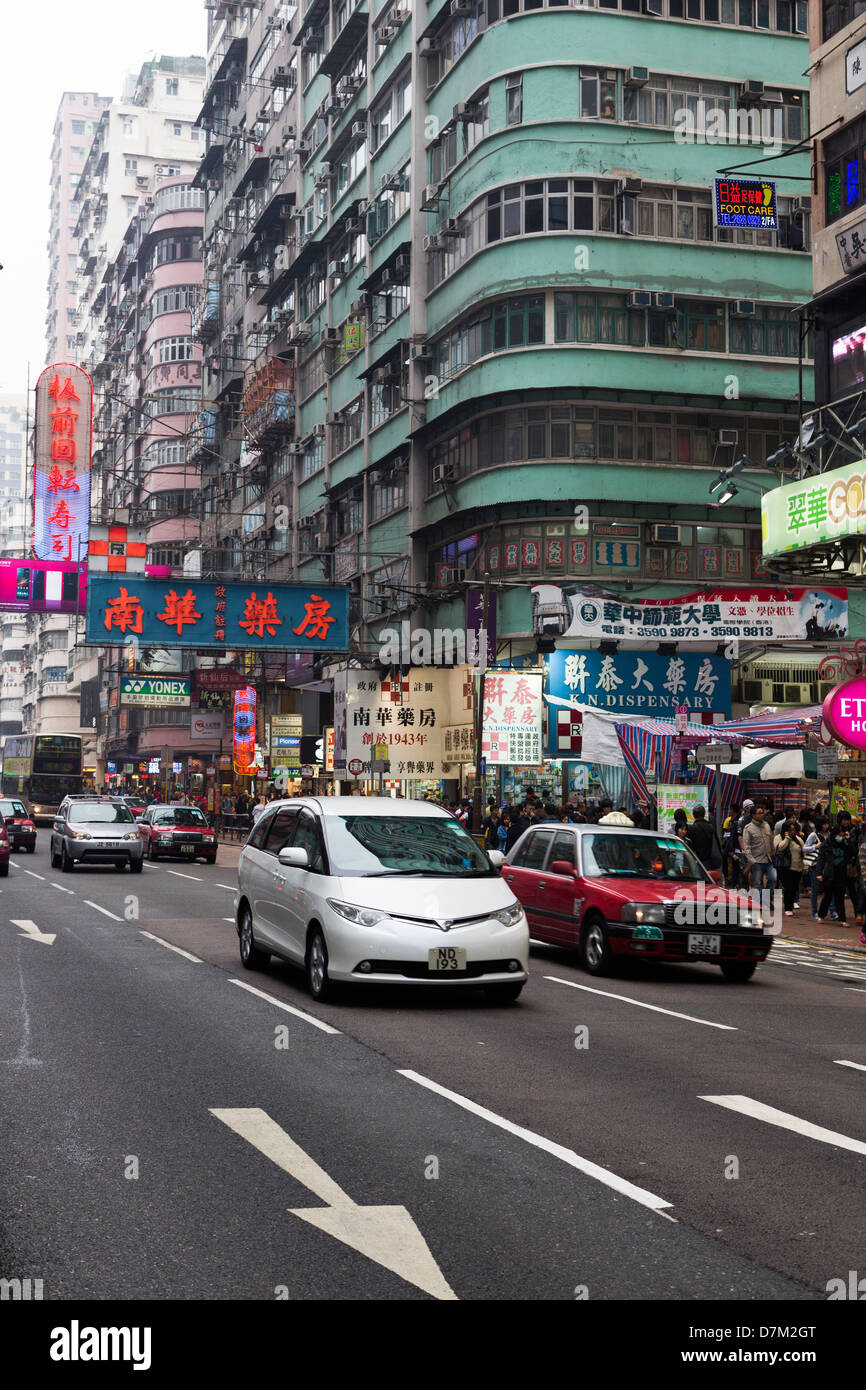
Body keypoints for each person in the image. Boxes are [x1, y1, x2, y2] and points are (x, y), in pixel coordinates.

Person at [816, 820, 858, 923]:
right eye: (839, 835)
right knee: (827, 896)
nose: (841, 837)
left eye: (842, 835)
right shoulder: (826, 844)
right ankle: (821, 915)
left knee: (840, 897)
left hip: (841, 873)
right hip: (829, 873)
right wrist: (819, 873)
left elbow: (853, 853)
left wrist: (848, 841)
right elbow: (820, 859)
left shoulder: (844, 843)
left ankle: (842, 919)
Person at [773, 815, 804, 917]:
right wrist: (787, 838)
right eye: (790, 830)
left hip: (797, 867)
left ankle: (790, 906)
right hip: (785, 867)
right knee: (788, 888)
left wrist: (804, 866)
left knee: (794, 888)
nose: (792, 832)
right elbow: (780, 848)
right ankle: (788, 908)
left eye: (793, 830)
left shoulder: (798, 839)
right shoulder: (778, 838)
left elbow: (803, 852)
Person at [742, 804, 775, 895]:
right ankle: (759, 904)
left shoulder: (767, 825)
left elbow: (771, 841)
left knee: (773, 878)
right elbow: (746, 846)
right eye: (759, 813)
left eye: (762, 813)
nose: (762, 815)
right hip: (757, 861)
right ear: (753, 815)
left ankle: (766, 899)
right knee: (757, 883)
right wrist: (752, 860)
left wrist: (773, 853)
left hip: (768, 859)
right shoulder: (748, 828)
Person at [685, 803, 719, 869]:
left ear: (693, 815)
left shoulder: (691, 828)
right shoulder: (710, 827)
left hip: (695, 860)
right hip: (709, 861)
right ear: (704, 814)